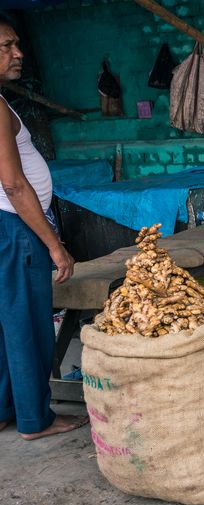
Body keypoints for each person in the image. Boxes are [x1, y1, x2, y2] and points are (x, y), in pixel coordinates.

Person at [0, 18, 87, 439]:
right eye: (5, 46)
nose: (18, 53)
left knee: (6, 325)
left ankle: (5, 411)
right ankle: (36, 420)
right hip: (15, 229)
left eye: (16, 44)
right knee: (27, 326)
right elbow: (14, 185)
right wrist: (55, 245)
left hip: (6, 228)